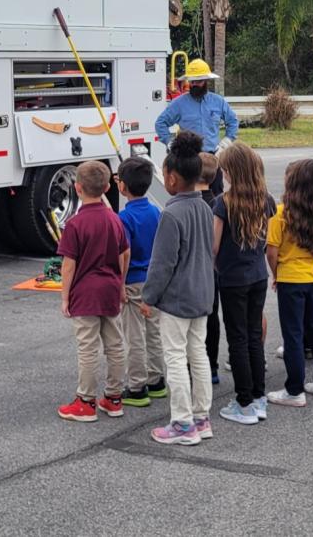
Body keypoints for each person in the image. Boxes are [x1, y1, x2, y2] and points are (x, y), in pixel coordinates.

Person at [143, 132, 217, 446]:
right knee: (197, 354)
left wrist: (149, 297)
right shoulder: (204, 207)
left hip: (176, 298)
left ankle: (182, 423)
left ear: (172, 177)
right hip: (202, 292)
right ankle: (201, 417)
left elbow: (162, 264)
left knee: (174, 358)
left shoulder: (171, 214)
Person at [56, 162, 131, 422]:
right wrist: (120, 285)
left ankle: (85, 401)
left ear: (77, 188)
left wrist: (65, 296)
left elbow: (68, 265)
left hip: (85, 293)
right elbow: (125, 253)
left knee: (88, 348)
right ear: (108, 187)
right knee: (115, 344)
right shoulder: (115, 220)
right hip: (110, 288)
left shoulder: (75, 225)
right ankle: (113, 398)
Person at [212, 142, 276, 425]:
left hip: (232, 277)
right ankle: (258, 396)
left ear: (231, 171)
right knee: (253, 336)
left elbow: (213, 245)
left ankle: (244, 401)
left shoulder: (223, 203)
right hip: (257, 274)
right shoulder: (267, 199)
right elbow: (268, 239)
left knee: (237, 338)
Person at [264, 159, 313, 407]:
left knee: (292, 334)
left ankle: (294, 389)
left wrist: (276, 274)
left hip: (290, 278)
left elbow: (271, 252)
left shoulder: (281, 214)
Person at [116, 157, 167, 407]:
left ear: (122, 186)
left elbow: (123, 253)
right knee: (154, 331)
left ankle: (137, 386)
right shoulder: (156, 211)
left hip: (133, 280)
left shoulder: (124, 217)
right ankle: (156, 379)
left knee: (134, 335)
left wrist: (119, 283)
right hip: (153, 279)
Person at [154, 59, 239, 197]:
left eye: (198, 81)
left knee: (215, 196)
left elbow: (233, 122)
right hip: (188, 158)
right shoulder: (179, 103)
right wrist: (170, 142)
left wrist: (225, 144)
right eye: (192, 81)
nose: (194, 85)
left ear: (206, 81)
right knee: (188, 196)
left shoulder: (218, 102)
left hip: (213, 157)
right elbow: (160, 123)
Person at [198, 152, 224, 384]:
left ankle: (197, 365)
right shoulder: (219, 202)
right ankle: (212, 365)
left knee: (198, 320)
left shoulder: (194, 204)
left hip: (197, 272)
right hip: (215, 271)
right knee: (212, 316)